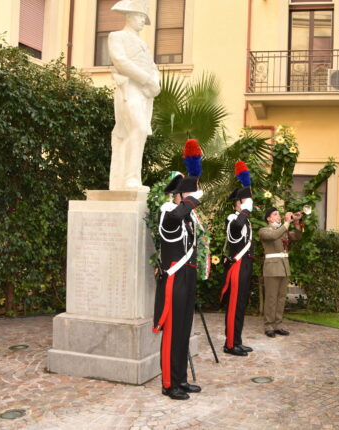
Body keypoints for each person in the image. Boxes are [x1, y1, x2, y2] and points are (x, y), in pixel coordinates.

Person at [153, 140, 204, 400]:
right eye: (187, 194)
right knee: (172, 332)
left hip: (188, 276)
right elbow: (175, 218)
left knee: (184, 330)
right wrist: (191, 200)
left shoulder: (186, 217)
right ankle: (168, 383)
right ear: (178, 195)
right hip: (174, 279)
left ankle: (181, 379)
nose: (193, 198)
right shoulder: (168, 214)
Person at [107, 0, 161, 190]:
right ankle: (129, 179)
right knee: (136, 127)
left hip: (144, 93)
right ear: (129, 17)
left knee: (140, 132)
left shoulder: (143, 44)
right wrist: (146, 79)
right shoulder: (117, 36)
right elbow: (120, 61)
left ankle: (133, 179)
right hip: (128, 88)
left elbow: (153, 67)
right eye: (139, 16)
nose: (141, 21)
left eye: (143, 18)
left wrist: (155, 82)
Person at [221, 161, 254, 356]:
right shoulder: (233, 219)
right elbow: (235, 230)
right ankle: (230, 344)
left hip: (246, 264)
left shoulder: (245, 220)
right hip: (238, 265)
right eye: (244, 201)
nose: (248, 204)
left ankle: (238, 340)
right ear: (238, 203)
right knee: (233, 305)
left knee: (241, 304)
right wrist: (245, 210)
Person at [259, 208, 303, 338]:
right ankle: (268, 326)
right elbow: (273, 236)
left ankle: (278, 325)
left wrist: (296, 222)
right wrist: (286, 223)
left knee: (281, 298)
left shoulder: (283, 230)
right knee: (271, 298)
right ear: (268, 218)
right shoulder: (264, 230)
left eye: (279, 214)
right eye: (275, 214)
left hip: (284, 267)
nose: (279, 216)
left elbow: (298, 236)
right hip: (272, 268)